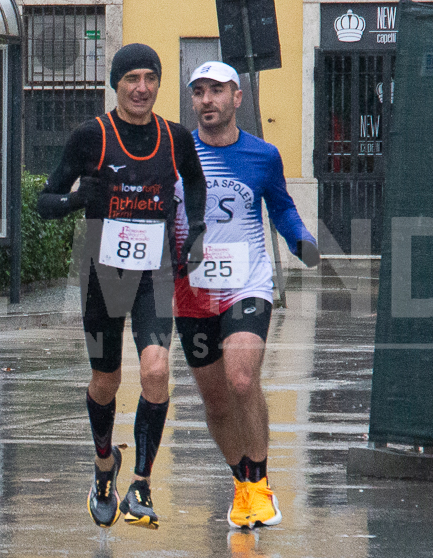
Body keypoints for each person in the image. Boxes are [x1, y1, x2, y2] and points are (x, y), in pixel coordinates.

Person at [37, 43, 207, 530]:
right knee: (106, 382)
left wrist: (196, 230)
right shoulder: (90, 136)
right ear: (116, 84)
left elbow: (195, 183)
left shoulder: (175, 137)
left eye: (150, 78)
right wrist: (77, 199)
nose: (141, 88)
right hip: (102, 276)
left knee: (156, 371)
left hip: (154, 272)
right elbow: (45, 202)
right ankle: (103, 466)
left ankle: (141, 484)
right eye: (132, 78)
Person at [174, 62, 320, 529]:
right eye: (199, 91)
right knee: (216, 401)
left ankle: (259, 481)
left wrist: (301, 240)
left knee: (240, 380)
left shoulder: (263, 155)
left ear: (237, 97)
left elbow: (282, 208)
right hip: (192, 291)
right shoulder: (177, 153)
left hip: (247, 283)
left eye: (217, 90)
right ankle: (242, 482)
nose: (207, 99)